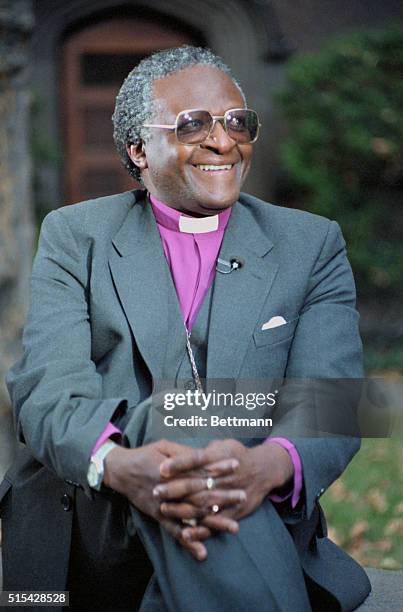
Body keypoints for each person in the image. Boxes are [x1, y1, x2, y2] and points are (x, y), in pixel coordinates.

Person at [0, 45, 371, 611]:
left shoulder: (310, 244)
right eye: (193, 124)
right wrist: (123, 468)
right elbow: (47, 390)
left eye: (236, 123)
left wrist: (262, 468)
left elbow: (337, 400)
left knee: (199, 430)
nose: (223, 142)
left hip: (250, 502)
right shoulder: (77, 236)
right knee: (177, 418)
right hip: (101, 513)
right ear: (137, 148)